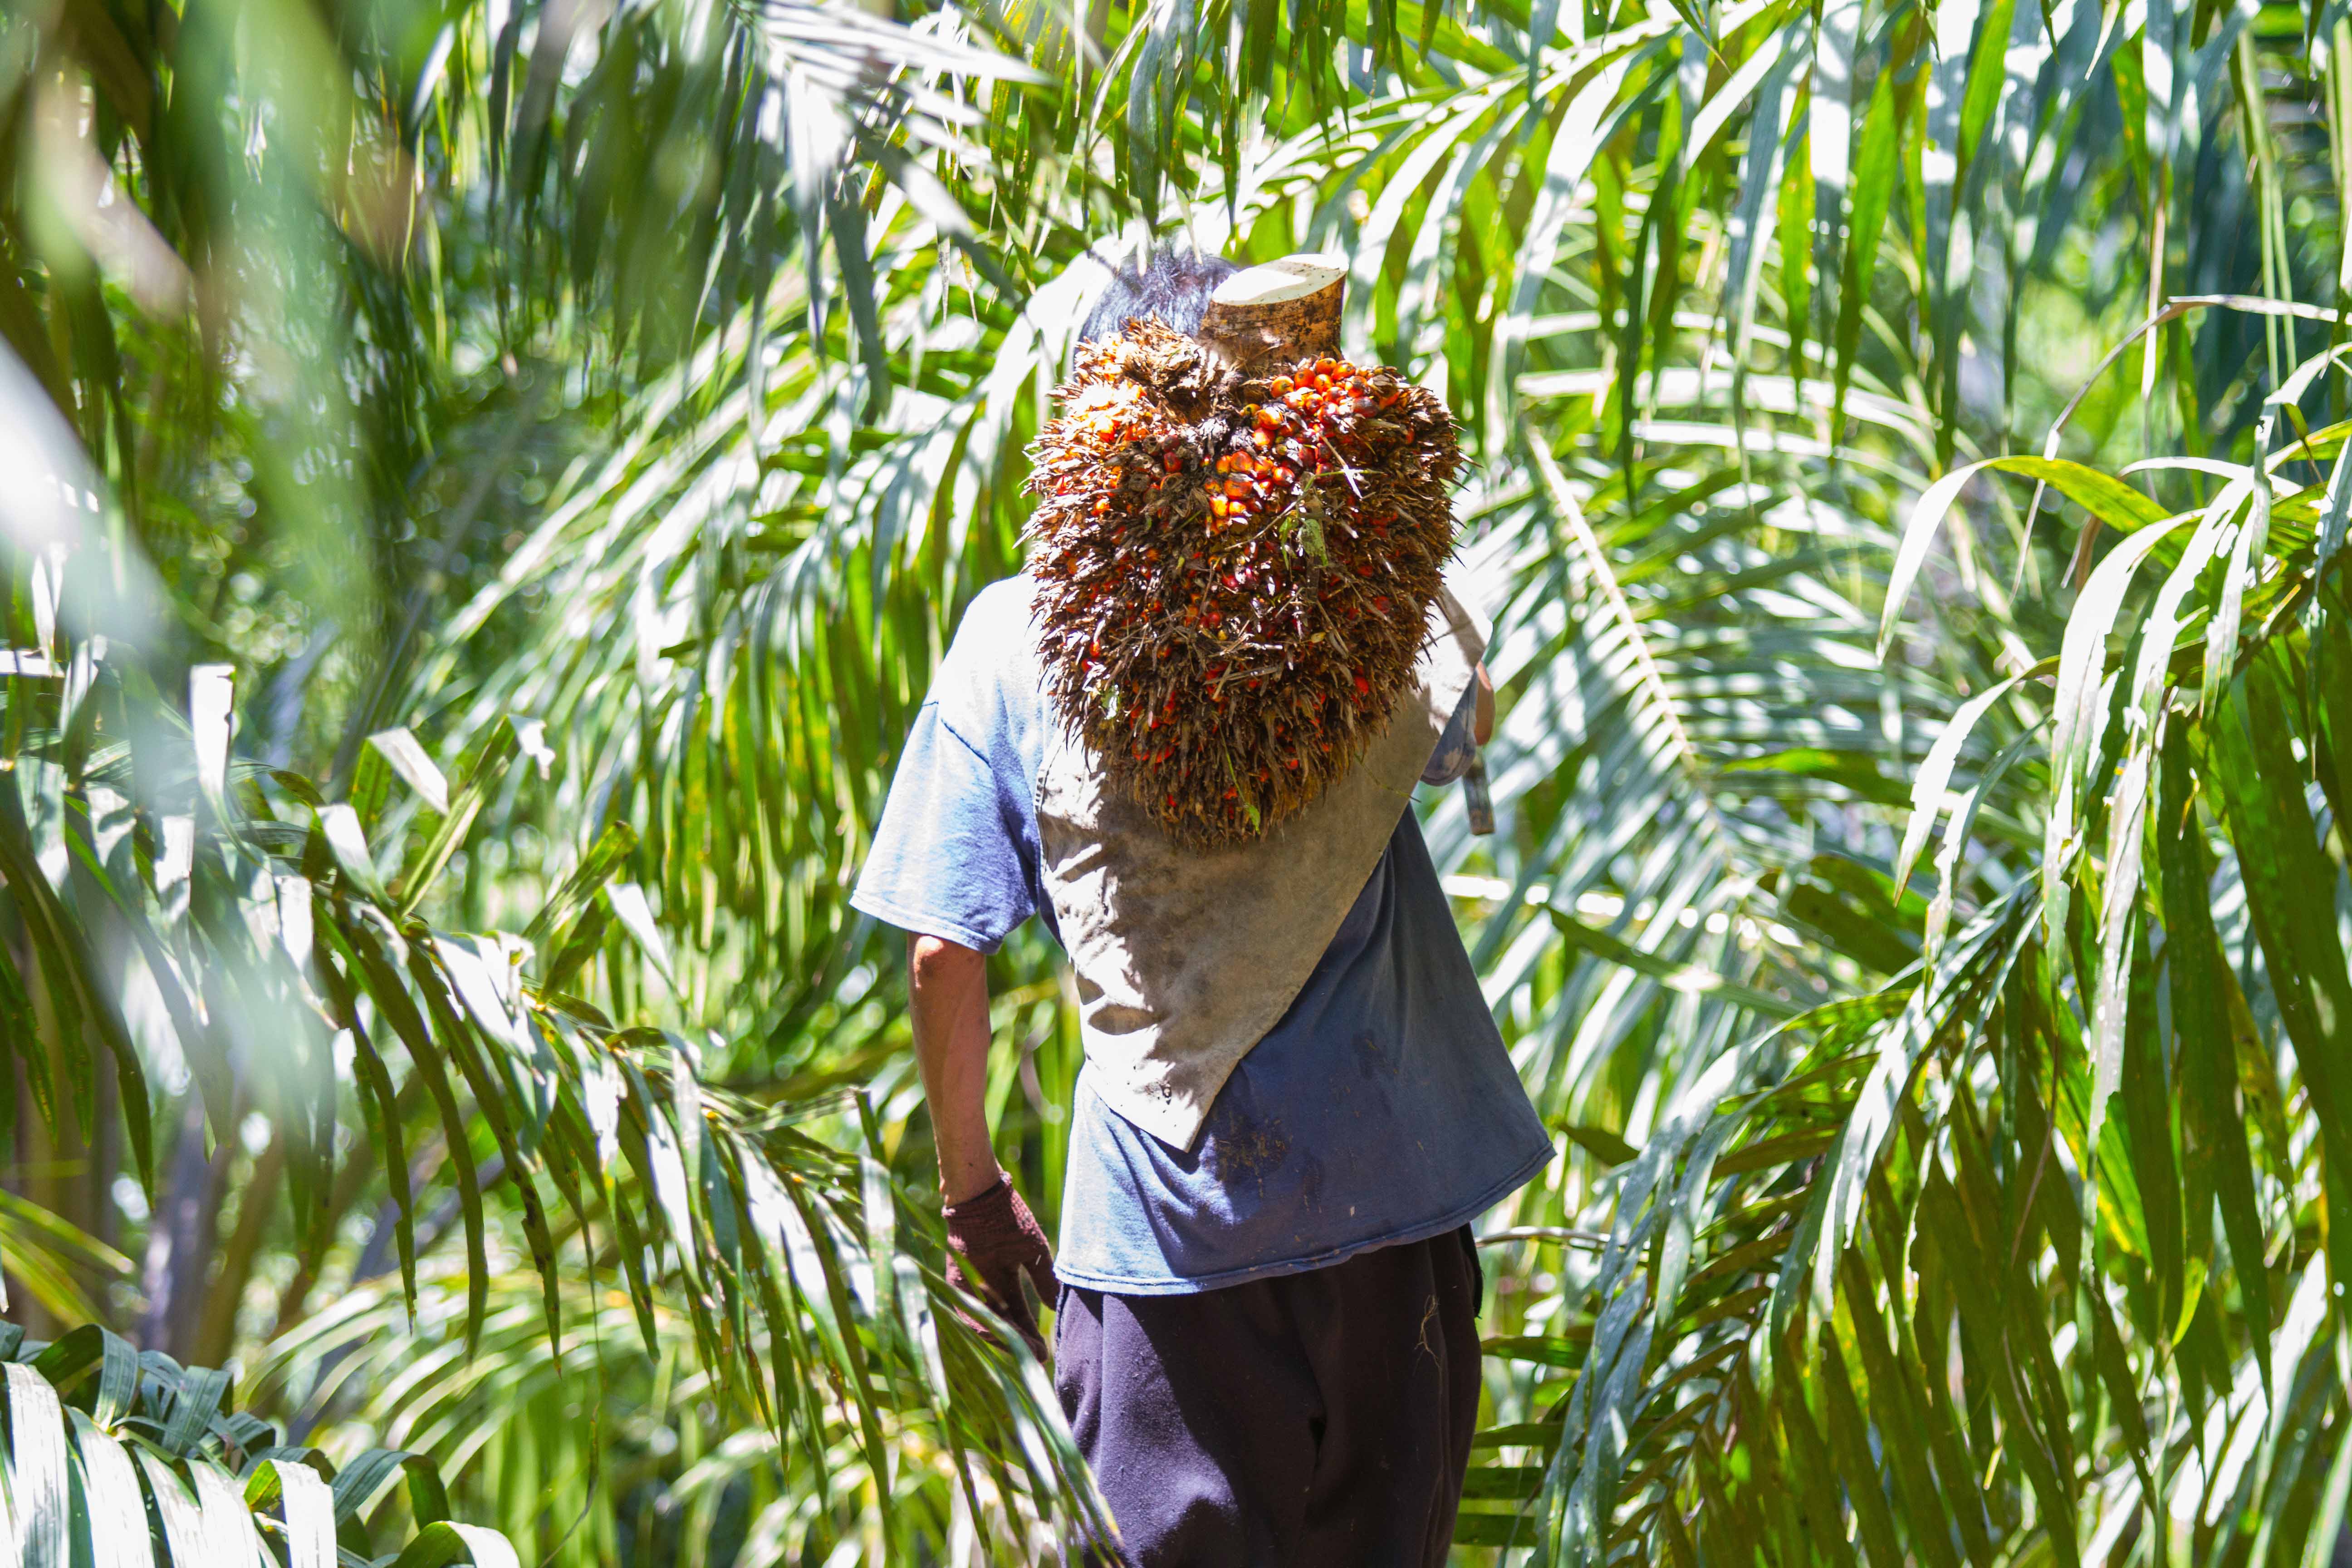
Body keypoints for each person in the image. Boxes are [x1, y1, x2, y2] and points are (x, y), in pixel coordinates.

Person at [850, 249, 1553, 1567]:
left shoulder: (1015, 639)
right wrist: (1343, 494)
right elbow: (1465, 715)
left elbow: (944, 954)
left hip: (1162, 1251)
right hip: (1390, 1217)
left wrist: (974, 1197)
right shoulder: (1356, 612)